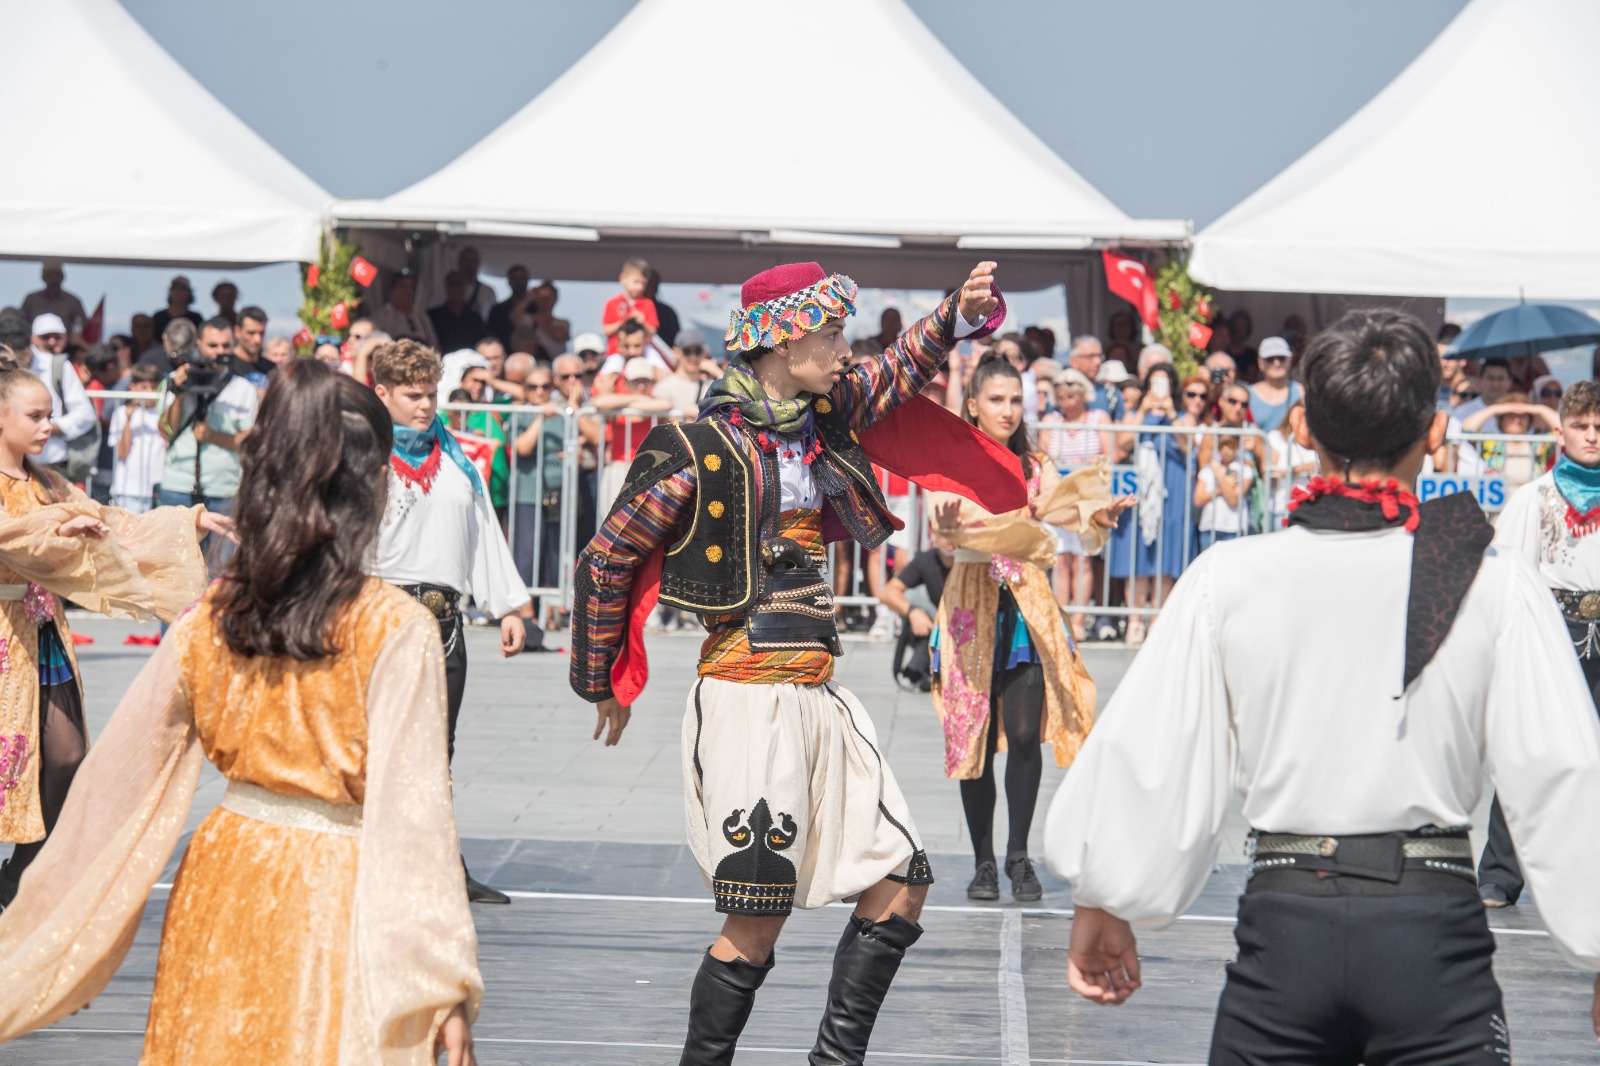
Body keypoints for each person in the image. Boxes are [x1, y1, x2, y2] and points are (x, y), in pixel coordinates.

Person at [1044, 308, 1600, 1062]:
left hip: (1287, 923)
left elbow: (1153, 749)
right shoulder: (1494, 585)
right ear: (1435, 432)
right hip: (1430, 930)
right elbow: (1568, 773)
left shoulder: (1229, 579)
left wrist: (1105, 897)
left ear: (1302, 427)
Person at [571, 261, 1009, 1066]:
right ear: (780, 339)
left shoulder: (825, 413)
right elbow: (607, 558)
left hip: (817, 691)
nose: (847, 351)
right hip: (745, 700)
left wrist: (957, 312)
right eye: (833, 334)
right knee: (756, 921)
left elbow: (898, 368)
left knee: (902, 883)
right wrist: (600, 674)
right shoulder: (694, 446)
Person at [0, 360, 483, 1063]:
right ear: (372, 486)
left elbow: (113, 787)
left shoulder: (213, 617)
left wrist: (36, 942)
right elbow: (417, 819)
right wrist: (442, 978)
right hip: (339, 893)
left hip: (222, 880)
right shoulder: (395, 627)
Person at [0, 353, 224, 909]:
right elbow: (12, 535)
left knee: (69, 755)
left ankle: (24, 871)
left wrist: (187, 520)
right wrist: (59, 525)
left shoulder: (51, 483)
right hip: (5, 633)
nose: (48, 426)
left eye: (50, 415)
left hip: (43, 631)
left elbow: (112, 519)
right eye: (35, 416)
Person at [929, 355, 1125, 902]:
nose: (1008, 410)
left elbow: (1071, 511)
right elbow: (945, 530)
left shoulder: (1036, 465)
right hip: (970, 607)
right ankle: (983, 862)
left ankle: (1018, 855)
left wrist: (1098, 516)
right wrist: (947, 533)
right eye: (996, 399)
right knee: (972, 737)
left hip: (1027, 608)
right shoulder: (953, 466)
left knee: (1021, 735)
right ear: (972, 404)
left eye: (1015, 400)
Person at [367, 340, 529, 906]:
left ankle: (443, 868)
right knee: (376, 748)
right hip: (378, 618)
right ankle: (369, 866)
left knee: (438, 750)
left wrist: (506, 605)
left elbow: (482, 528)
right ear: (381, 393)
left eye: (430, 394)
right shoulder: (361, 455)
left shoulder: (458, 460)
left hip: (442, 621)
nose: (424, 405)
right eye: (412, 395)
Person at [1477, 380, 1600, 910]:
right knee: (1530, 750)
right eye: (1581, 426)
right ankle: (1502, 874)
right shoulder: (1536, 497)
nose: (1592, 436)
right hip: (1554, 631)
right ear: (1560, 432)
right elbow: (1505, 573)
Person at [157, 318, 259, 577]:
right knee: (175, 575)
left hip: (223, 490)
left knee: (220, 575)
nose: (219, 352)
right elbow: (165, 430)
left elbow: (249, 441)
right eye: (213, 345)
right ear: (199, 344)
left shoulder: (242, 389)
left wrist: (212, 436)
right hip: (178, 487)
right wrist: (180, 390)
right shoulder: (174, 379)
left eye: (226, 346)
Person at [1109, 363, 1196, 643]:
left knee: (1166, 556)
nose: (1159, 390)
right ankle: (1135, 620)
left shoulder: (1182, 417)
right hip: (1140, 491)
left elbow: (1187, 444)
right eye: (1155, 384)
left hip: (1171, 490)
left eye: (1165, 383)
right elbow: (1122, 444)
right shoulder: (1134, 415)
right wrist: (1144, 411)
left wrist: (1170, 413)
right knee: (1138, 557)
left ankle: (1159, 619)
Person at [1039, 368, 1114, 639]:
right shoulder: (1050, 419)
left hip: (1087, 499)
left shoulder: (1099, 418)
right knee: (1061, 559)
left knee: (1083, 560)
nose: (1066, 401)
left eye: (1071, 395)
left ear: (1083, 394)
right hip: (1060, 498)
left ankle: (1079, 619)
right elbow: (1044, 457)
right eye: (1060, 396)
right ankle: (1063, 617)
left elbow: (1109, 456)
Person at [593, 354, 672, 513]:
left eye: (645, 381)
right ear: (626, 383)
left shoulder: (654, 401)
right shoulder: (619, 402)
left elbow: (665, 404)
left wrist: (633, 404)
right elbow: (599, 402)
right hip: (619, 468)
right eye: (636, 381)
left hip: (650, 470)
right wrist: (635, 399)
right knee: (611, 524)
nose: (641, 386)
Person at [26, 314, 96, 482]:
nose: (52, 341)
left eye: (57, 337)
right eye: (46, 337)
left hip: (52, 463)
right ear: (33, 339)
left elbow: (85, 414)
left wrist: (50, 427)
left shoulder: (61, 366)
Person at [1461, 393, 1558, 496]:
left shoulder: (1538, 445)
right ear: (1501, 419)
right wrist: (1496, 409)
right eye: (1510, 415)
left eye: (1522, 416)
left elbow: (1562, 430)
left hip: (1531, 506)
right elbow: (1467, 430)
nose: (1516, 420)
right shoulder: (1492, 444)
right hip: (1499, 509)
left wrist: (1538, 409)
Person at [108, 364, 167, 513]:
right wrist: (128, 420)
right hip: (128, 488)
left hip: (157, 487)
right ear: (133, 388)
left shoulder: (164, 414)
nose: (150, 392)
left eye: (154, 387)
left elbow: (167, 443)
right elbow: (122, 452)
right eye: (144, 387)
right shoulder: (121, 412)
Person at [1195, 432, 1255, 550]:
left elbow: (1233, 500)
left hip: (1234, 528)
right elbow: (1198, 500)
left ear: (1237, 445)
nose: (1226, 449)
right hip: (1209, 527)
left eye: (1230, 444)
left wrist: (1219, 474)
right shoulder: (1208, 469)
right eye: (1222, 445)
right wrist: (1221, 489)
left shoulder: (1245, 469)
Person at [653, 328, 722, 415]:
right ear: (677, 352)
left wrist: (715, 370)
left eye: (697, 351)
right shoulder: (664, 386)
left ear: (704, 352)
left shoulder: (711, 387)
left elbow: (735, 394)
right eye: (687, 351)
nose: (693, 357)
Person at [601, 257, 658, 355]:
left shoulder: (648, 304)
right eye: (636, 282)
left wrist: (643, 322)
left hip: (643, 353)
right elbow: (606, 330)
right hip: (616, 352)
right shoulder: (612, 303)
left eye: (643, 284)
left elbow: (653, 332)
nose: (640, 287)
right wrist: (624, 321)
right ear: (623, 279)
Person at [1246, 335, 1302, 433]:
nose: (1276, 363)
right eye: (1270, 359)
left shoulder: (1301, 392)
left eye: (1281, 358)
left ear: (1290, 360)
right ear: (1260, 363)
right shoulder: (1247, 394)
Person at [370, 273, 439, 348]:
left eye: (411, 287)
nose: (407, 291)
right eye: (402, 286)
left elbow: (434, 343)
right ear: (393, 290)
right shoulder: (381, 317)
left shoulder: (420, 316)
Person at [20, 262, 86, 337]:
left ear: (62, 277)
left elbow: (83, 326)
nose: (53, 279)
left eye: (56, 275)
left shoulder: (73, 302)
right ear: (43, 277)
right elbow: (21, 323)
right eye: (50, 275)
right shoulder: (31, 300)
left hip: (67, 347)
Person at [429, 272, 489, 354]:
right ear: (446, 288)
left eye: (459, 286)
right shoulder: (434, 316)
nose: (456, 291)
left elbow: (481, 344)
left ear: (464, 289)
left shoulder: (475, 318)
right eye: (453, 286)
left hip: (471, 362)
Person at [1067, 335, 1123, 420]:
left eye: (1100, 356)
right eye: (1091, 356)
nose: (1097, 362)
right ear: (1074, 361)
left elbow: (1120, 429)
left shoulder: (1111, 393)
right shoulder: (1060, 392)